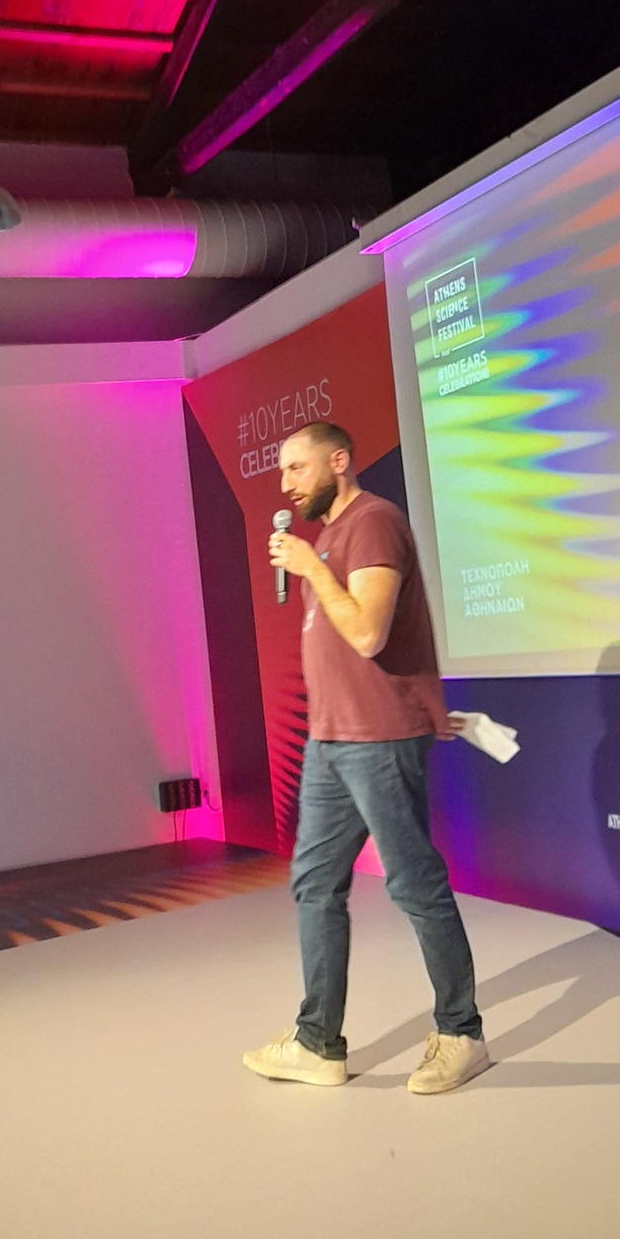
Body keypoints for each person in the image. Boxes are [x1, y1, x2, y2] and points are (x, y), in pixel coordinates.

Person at [242, 422, 489, 1095]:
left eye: (297, 468)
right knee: (315, 883)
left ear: (340, 462)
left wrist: (311, 568)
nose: (286, 485)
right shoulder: (327, 538)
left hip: (378, 737)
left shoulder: (374, 523)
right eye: (282, 471)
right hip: (331, 739)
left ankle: (462, 1033)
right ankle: (317, 1043)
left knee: (413, 883)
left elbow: (368, 633)